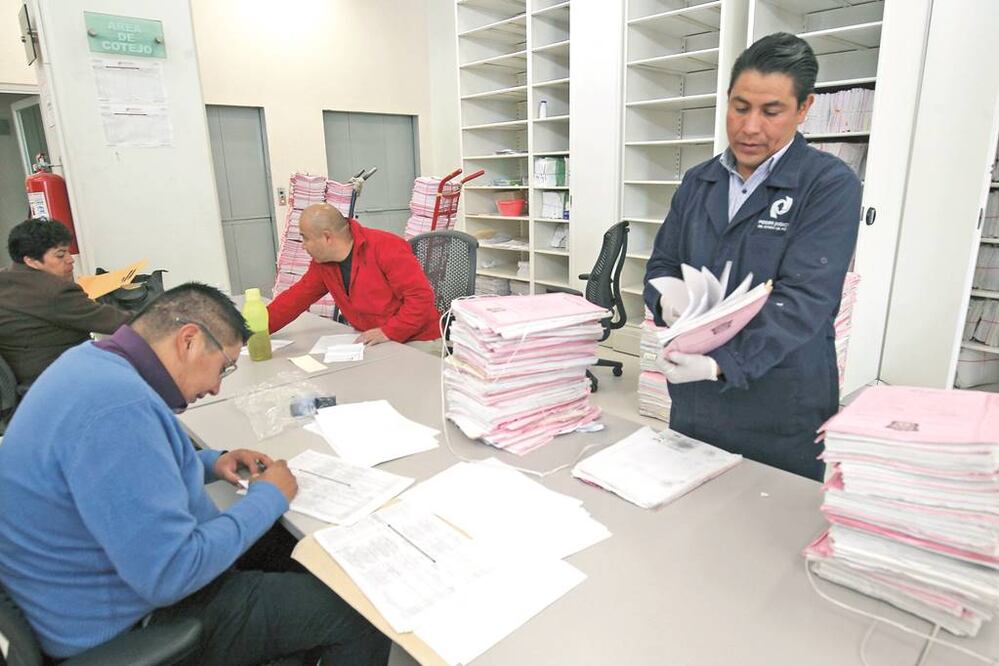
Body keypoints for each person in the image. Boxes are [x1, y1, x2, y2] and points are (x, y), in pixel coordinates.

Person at [0, 283, 390, 665]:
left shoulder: (91, 363)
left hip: (81, 591)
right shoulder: (117, 409)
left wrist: (208, 463)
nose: (218, 386)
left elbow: (119, 472)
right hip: (131, 622)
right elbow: (171, 574)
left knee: (287, 549)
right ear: (188, 340)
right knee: (358, 614)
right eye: (224, 366)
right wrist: (268, 497)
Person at [643, 33, 861, 481]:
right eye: (740, 107)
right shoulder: (699, 181)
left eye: (771, 111)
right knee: (685, 522)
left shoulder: (828, 184)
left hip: (780, 404)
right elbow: (661, 264)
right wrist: (667, 298)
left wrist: (721, 363)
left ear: (803, 109)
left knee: (764, 530)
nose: (750, 127)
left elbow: (805, 299)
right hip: (696, 399)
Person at [268, 203, 440, 345]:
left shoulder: (386, 247)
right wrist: (250, 329)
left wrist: (389, 331)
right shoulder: (324, 264)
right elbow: (296, 298)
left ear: (327, 237)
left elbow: (420, 299)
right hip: (374, 340)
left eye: (305, 238)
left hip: (417, 339)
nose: (303, 245)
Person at [0, 217, 129, 386]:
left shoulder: (6, 279)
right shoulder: (53, 291)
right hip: (62, 380)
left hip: (24, 382)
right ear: (31, 261)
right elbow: (118, 322)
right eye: (60, 255)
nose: (70, 259)